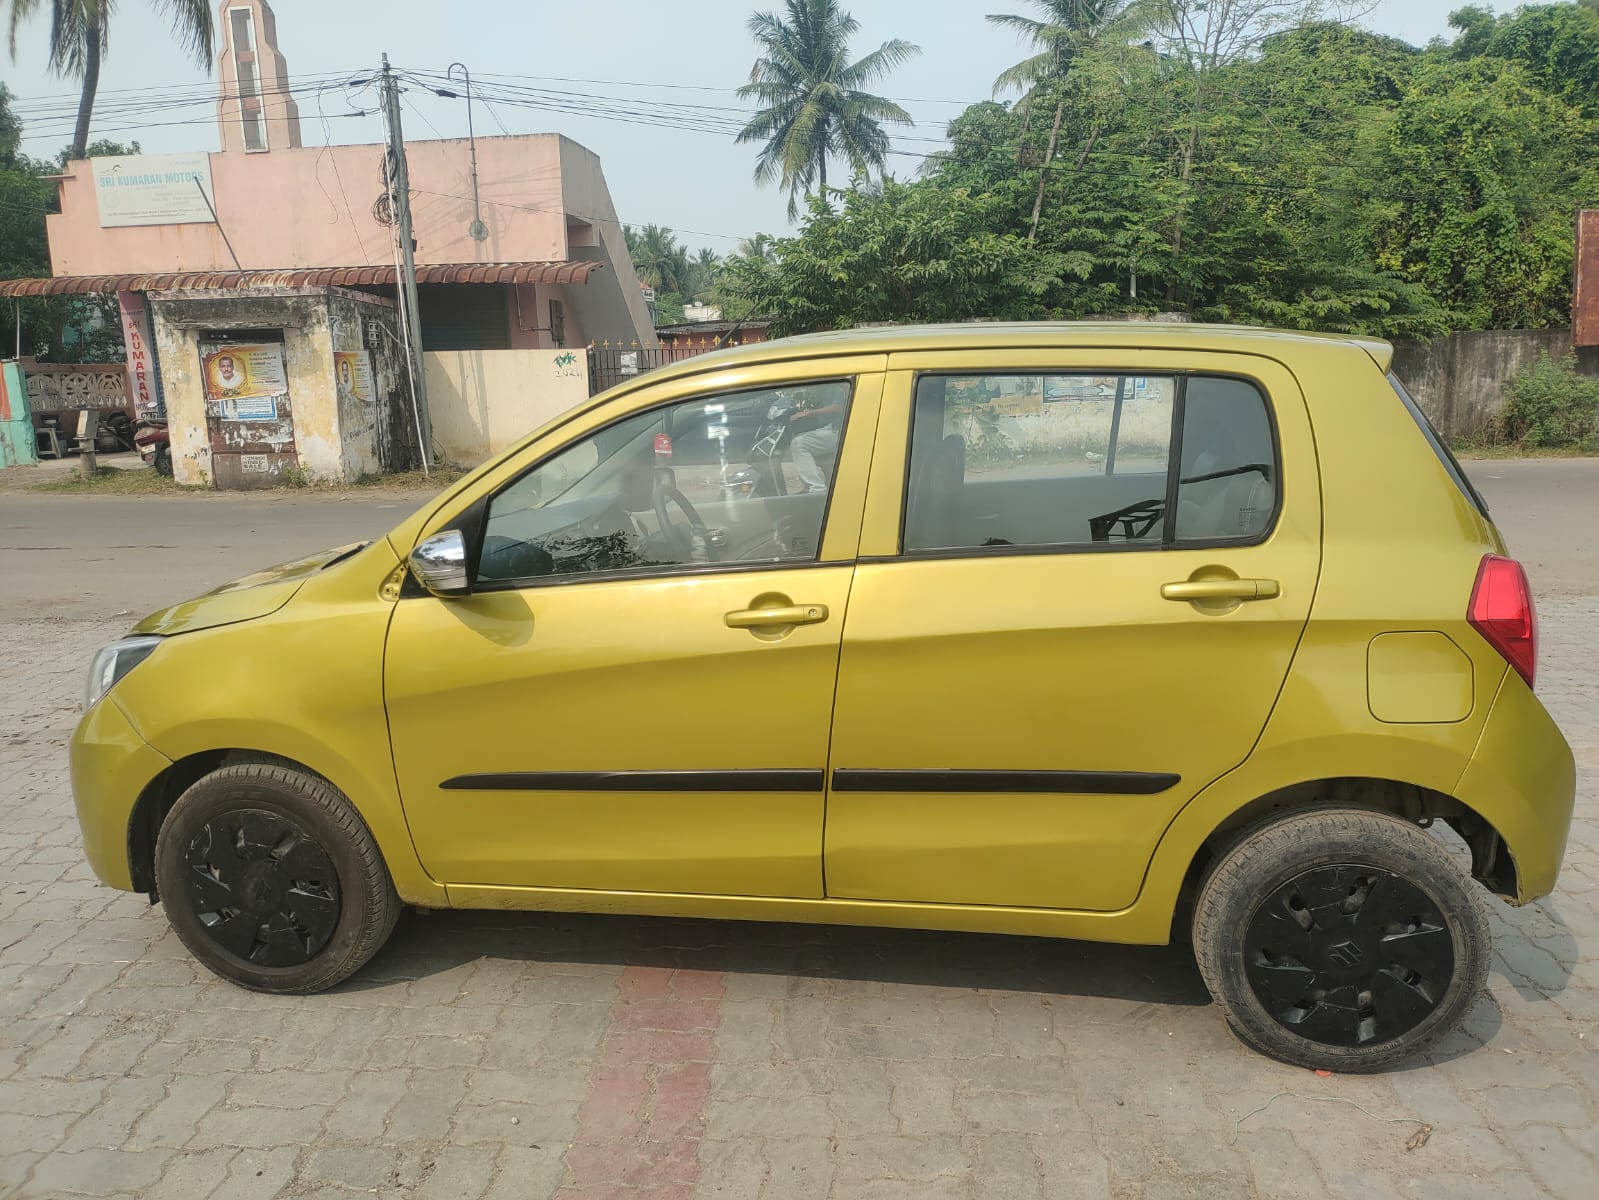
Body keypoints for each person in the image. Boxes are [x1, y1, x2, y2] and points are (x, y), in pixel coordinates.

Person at [788, 393, 845, 494]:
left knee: (799, 443)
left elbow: (838, 407)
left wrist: (809, 413)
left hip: (840, 430)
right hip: (830, 429)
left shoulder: (837, 386)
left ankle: (817, 490)